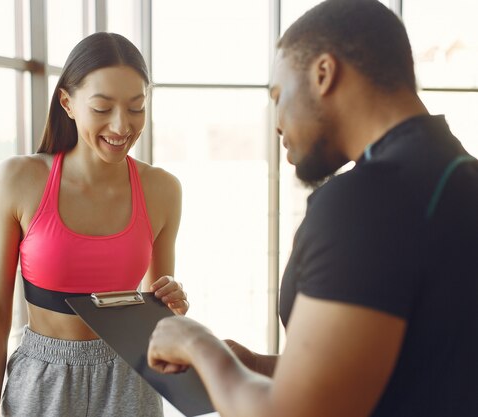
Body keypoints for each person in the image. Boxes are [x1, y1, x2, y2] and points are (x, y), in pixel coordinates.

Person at [147, 1, 478, 416]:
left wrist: (196, 342)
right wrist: (250, 365)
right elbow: (410, 371)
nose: (278, 122)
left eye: (279, 95)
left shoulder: (366, 199)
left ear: (324, 73)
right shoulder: (457, 176)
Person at [0, 32, 188, 417]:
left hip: (130, 378)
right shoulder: (18, 180)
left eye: (136, 107)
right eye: (103, 108)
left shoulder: (163, 189)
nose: (122, 126)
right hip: (43, 380)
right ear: (68, 103)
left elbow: (153, 320)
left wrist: (169, 303)